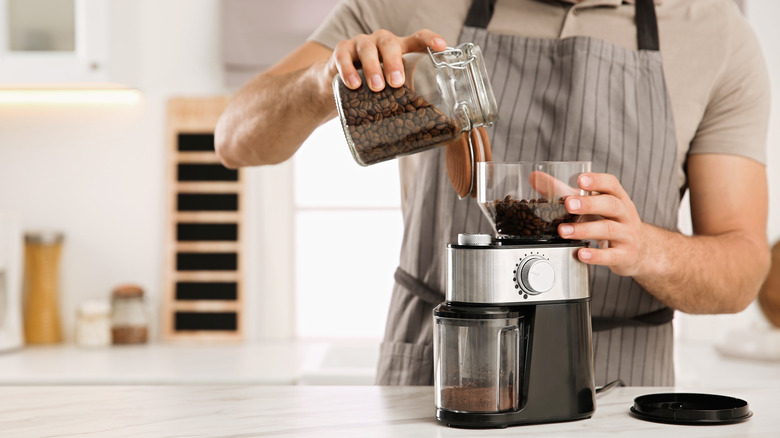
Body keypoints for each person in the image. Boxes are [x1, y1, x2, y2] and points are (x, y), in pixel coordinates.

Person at [215, 0, 770, 386]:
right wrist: (325, 83)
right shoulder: (414, 7)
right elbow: (235, 138)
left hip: (614, 385)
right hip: (438, 373)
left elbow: (742, 270)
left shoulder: (716, 34)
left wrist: (649, 248)